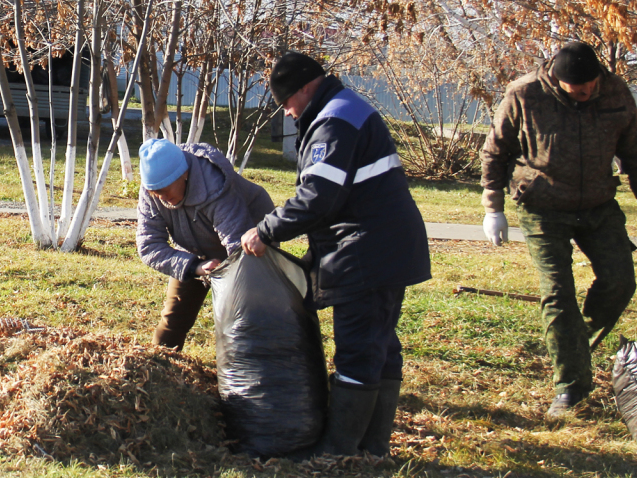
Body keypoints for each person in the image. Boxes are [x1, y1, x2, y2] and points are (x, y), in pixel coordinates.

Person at [242, 51, 431, 457]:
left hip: (367, 250)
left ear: (306, 88)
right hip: (380, 246)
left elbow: (319, 198)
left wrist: (266, 230)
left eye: (288, 103)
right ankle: (372, 445)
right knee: (379, 344)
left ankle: (340, 451)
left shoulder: (334, 120)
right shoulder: (343, 110)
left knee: (360, 347)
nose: (289, 114)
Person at [480, 41, 637, 419]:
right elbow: (495, 151)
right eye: (579, 88)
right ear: (557, 79)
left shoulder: (615, 91)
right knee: (558, 295)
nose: (587, 92)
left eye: (592, 84)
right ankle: (570, 389)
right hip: (542, 205)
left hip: (598, 205)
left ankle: (573, 346)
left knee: (620, 281)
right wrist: (493, 208)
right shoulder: (524, 94)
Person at [136, 138, 274, 351]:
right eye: (155, 192)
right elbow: (148, 245)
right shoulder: (152, 192)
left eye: (165, 189)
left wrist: (229, 281)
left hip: (250, 241)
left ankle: (256, 370)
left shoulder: (213, 184)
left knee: (247, 318)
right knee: (174, 318)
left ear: (184, 174)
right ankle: (161, 368)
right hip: (195, 250)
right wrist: (194, 267)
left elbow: (238, 244)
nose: (161, 197)